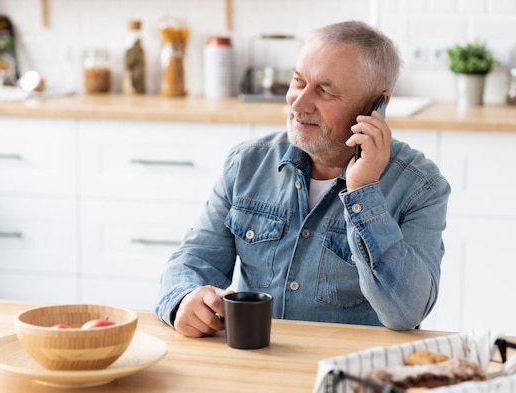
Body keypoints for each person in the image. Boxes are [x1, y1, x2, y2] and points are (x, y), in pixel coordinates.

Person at [155, 20, 450, 337]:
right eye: (297, 81)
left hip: (353, 374)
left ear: (376, 106)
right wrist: (185, 298)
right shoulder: (246, 163)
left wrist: (363, 192)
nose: (297, 103)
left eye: (324, 91)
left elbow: (406, 312)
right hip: (258, 365)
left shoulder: (421, 186)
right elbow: (193, 261)